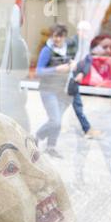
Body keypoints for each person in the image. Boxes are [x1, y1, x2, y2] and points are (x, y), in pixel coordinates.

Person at [35, 24, 76, 158]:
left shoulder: (68, 49)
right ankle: (36, 136)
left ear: (64, 36)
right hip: (48, 90)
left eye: (60, 36)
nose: (57, 39)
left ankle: (51, 147)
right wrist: (56, 70)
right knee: (56, 121)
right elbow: (38, 71)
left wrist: (72, 65)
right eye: (54, 36)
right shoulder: (47, 50)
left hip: (63, 91)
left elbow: (78, 62)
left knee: (56, 121)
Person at [67, 35, 111, 139]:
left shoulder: (86, 46)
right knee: (66, 110)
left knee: (75, 106)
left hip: (72, 82)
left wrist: (82, 73)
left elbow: (88, 59)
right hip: (66, 82)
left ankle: (87, 129)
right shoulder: (73, 43)